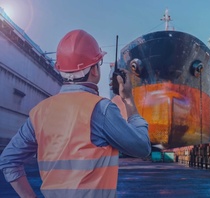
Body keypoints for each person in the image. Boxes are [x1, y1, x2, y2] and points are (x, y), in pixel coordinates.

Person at [0, 29, 151, 198]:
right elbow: (142, 148)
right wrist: (128, 99)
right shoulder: (101, 108)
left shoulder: (39, 112)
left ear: (61, 69)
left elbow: (8, 161)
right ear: (94, 70)